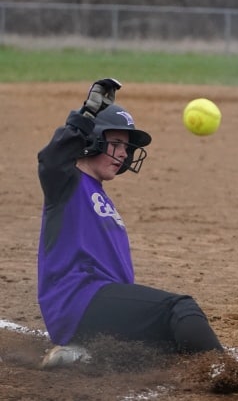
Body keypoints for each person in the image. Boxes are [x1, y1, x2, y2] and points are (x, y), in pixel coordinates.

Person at [37, 79, 225, 368]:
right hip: (80, 298)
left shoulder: (98, 194)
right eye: (116, 144)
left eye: (126, 147)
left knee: (169, 348)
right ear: (92, 141)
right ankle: (228, 370)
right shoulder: (67, 183)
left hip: (95, 307)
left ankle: (81, 356)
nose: (124, 153)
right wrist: (85, 116)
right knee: (181, 309)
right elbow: (51, 159)